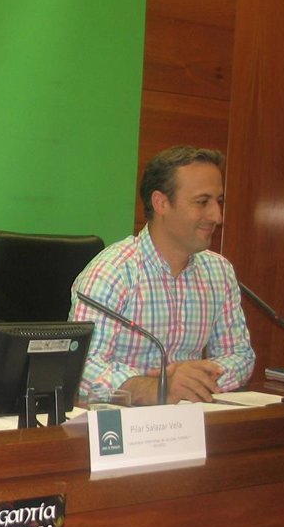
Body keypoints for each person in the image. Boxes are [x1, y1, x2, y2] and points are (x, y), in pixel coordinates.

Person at [70, 145, 254, 405]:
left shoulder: (219, 272)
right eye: (202, 202)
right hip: (125, 422)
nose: (217, 216)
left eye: (219, 201)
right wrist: (157, 388)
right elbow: (82, 366)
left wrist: (193, 381)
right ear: (161, 203)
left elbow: (240, 355)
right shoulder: (112, 273)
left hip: (192, 416)